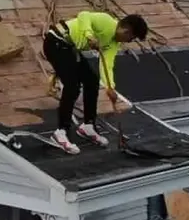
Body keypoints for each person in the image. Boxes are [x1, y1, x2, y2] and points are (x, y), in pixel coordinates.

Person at [42, 10, 149, 154]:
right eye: (131, 38)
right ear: (126, 30)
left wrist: (111, 88)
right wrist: (89, 35)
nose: (128, 42)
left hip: (70, 49)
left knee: (91, 81)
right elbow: (83, 15)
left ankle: (88, 126)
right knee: (72, 86)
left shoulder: (113, 44)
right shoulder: (106, 22)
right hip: (56, 42)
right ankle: (60, 132)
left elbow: (107, 65)